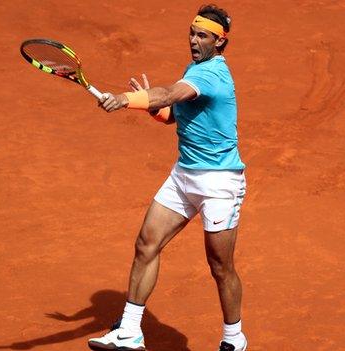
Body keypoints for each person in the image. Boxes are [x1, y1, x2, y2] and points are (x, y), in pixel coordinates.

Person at [88, 4, 247, 351]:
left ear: (219, 43)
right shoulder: (195, 68)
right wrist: (151, 106)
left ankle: (234, 339)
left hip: (220, 183)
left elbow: (169, 94)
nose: (193, 40)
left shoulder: (212, 74)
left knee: (220, 266)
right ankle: (130, 330)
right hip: (184, 176)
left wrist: (125, 99)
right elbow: (172, 113)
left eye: (202, 35)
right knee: (147, 243)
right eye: (192, 32)